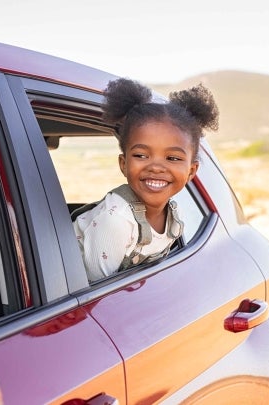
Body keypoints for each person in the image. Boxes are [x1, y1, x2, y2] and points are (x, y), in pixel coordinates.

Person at [73, 78, 219, 282]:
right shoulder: (116, 222)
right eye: (141, 155)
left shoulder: (173, 215)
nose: (156, 167)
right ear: (123, 164)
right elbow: (96, 300)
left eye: (173, 158)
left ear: (192, 171)